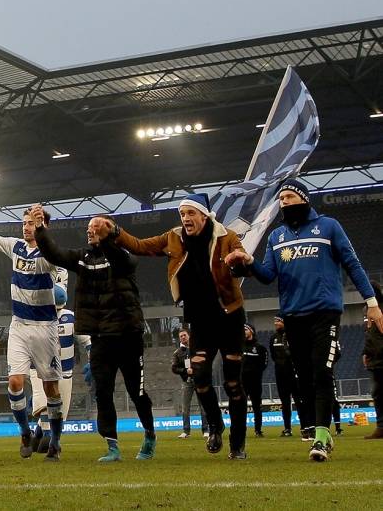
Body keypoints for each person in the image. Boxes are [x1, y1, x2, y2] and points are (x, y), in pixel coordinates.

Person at [228, 179, 380, 462]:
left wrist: (371, 303)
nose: (283, 202)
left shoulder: (329, 226)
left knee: (322, 373)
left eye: (288, 196)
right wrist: (248, 262)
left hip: (325, 314)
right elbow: (267, 276)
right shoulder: (276, 237)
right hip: (293, 317)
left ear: (303, 198)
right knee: (306, 380)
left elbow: (352, 264)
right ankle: (321, 430)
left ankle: (321, 438)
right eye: (281, 198)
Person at [114, 193, 248, 459]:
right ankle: (216, 425)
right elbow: (140, 245)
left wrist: (239, 262)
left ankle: (238, 444)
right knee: (199, 377)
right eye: (182, 214)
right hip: (199, 319)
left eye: (190, 213)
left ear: (204, 215)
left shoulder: (226, 236)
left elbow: (241, 262)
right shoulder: (174, 237)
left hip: (229, 316)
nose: (185, 218)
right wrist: (115, 231)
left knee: (233, 384)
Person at [32, 209, 153, 462]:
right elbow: (56, 254)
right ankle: (112, 446)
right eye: (88, 227)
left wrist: (107, 237)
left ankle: (150, 435)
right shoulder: (83, 257)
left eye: (95, 227)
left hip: (128, 336)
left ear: (108, 231)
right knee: (103, 392)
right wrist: (41, 229)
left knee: (136, 392)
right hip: (101, 338)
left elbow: (122, 260)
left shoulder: (123, 255)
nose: (90, 230)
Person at [0, 199, 70, 460]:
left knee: (51, 388)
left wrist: (42, 230)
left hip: (46, 328)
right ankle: (24, 431)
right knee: (15, 382)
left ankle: (55, 441)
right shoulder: (15, 247)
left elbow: (61, 294)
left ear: (43, 226)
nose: (26, 228)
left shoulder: (52, 255)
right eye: (25, 223)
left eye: (32, 223)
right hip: (18, 325)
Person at [269, 317, 297, 436]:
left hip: (293, 372)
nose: (276, 323)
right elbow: (273, 355)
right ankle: (287, 428)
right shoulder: (273, 338)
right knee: (285, 402)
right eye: (275, 321)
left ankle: (306, 427)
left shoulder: (293, 335)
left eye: (278, 321)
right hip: (280, 373)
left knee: (299, 400)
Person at [241, 324, 268, 438]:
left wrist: (255, 373)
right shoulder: (239, 346)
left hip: (255, 382)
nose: (244, 331)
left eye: (246, 329)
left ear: (251, 331)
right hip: (242, 382)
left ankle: (258, 430)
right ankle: (241, 430)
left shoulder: (260, 347)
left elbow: (264, 364)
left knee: (257, 406)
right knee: (241, 407)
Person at [171, 329, 197, 438]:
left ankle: (206, 430)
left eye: (184, 335)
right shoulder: (178, 353)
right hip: (187, 382)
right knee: (185, 407)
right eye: (181, 336)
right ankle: (186, 431)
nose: (182, 337)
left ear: (189, 336)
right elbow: (174, 368)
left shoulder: (197, 348)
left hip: (199, 380)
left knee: (203, 406)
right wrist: (185, 371)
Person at [364, 296, 383, 440]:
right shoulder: (368, 310)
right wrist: (365, 352)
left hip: (379, 358)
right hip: (375, 360)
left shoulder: (377, 311)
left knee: (378, 394)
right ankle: (381, 427)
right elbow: (370, 336)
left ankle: (381, 427)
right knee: (377, 394)